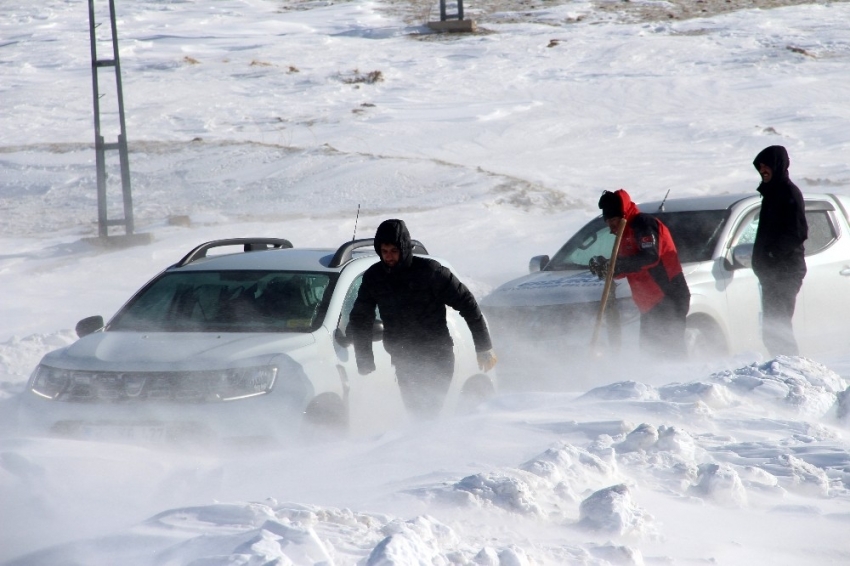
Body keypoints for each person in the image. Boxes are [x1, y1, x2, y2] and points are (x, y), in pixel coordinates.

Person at [348, 219, 497, 419]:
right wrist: (364, 358)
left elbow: (467, 303)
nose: (389, 257)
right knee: (416, 415)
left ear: (404, 247)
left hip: (437, 356)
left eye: (394, 250)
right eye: (384, 251)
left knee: (427, 412)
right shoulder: (375, 277)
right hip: (403, 358)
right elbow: (360, 317)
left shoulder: (430, 272)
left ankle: (434, 445)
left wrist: (483, 346)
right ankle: (426, 446)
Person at [589, 189, 691, 359]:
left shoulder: (643, 224)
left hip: (668, 296)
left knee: (670, 352)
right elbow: (626, 266)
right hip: (649, 304)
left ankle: (681, 382)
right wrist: (606, 267)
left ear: (622, 215)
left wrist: (616, 266)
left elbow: (650, 257)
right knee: (650, 353)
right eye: (608, 222)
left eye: (613, 220)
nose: (611, 227)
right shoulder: (625, 232)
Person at [751, 145, 807, 356]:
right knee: (771, 327)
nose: (762, 169)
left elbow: (798, 232)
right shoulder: (771, 194)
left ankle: (790, 370)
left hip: (786, 270)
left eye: (766, 165)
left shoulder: (788, 193)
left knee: (778, 324)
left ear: (777, 165)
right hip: (771, 272)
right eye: (760, 166)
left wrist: (772, 255)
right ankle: (780, 367)